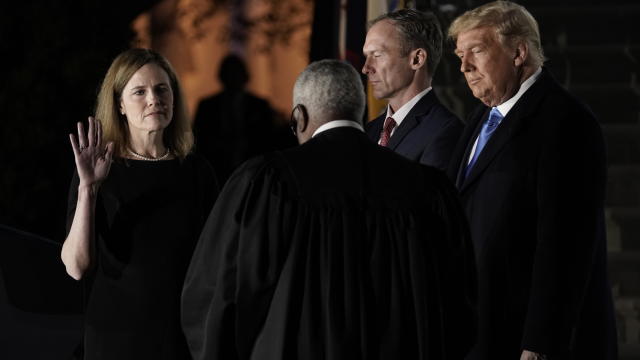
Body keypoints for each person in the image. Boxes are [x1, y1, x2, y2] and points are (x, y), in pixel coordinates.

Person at [181, 59, 477, 360]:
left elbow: (217, 295)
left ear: (299, 116)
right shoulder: (426, 187)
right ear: (361, 112)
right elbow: (459, 307)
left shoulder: (267, 183)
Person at [447, 2, 617, 359]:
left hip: (526, 340)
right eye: (460, 55)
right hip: (480, 330)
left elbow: (565, 246)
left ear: (518, 52)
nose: (464, 67)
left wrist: (539, 343)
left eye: (476, 51)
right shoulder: (480, 118)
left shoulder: (566, 123)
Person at [61, 48, 218, 359]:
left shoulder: (197, 172)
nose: (153, 99)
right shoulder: (98, 170)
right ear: (119, 103)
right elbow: (77, 267)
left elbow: (215, 262)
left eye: (162, 89)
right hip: (116, 339)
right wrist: (88, 189)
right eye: (139, 91)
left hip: (182, 338)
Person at [362, 9, 463, 171]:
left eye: (377, 55)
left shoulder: (445, 131)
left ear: (416, 59)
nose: (366, 68)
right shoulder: (369, 130)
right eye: (366, 56)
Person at [193, 54, 295, 186]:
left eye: (235, 73)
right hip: (217, 172)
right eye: (230, 74)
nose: (233, 78)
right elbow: (200, 141)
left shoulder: (259, 106)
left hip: (252, 172)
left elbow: (267, 140)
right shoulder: (207, 106)